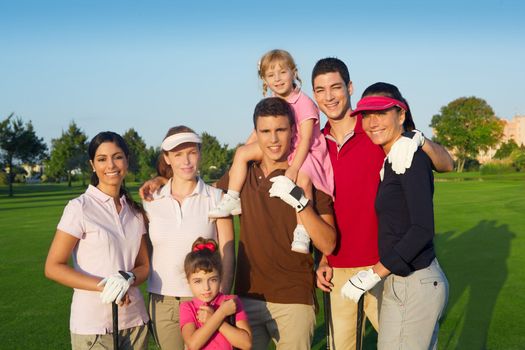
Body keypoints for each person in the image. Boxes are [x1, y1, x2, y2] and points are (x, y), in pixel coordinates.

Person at [312, 58, 454, 350]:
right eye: (321, 90)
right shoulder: (315, 143)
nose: (329, 96)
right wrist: (323, 256)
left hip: (385, 266)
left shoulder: (381, 135)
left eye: (336, 87)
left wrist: (418, 140)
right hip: (340, 266)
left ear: (349, 88)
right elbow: (324, 203)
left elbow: (447, 164)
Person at [215, 97, 336, 349]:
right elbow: (201, 194)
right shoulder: (242, 173)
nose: (273, 139)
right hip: (246, 298)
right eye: (265, 131)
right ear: (255, 133)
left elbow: (328, 243)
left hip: (294, 299)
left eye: (280, 130)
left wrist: (300, 203)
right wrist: (162, 181)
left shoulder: (308, 176)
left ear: (293, 130)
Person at [209, 49, 334, 255]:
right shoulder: (275, 104)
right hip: (288, 145)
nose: (278, 79)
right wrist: (244, 151)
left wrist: (293, 168)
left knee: (303, 180)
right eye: (271, 75)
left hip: (307, 151)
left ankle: (302, 231)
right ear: (264, 81)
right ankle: (232, 198)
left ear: (293, 72)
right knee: (242, 152)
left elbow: (305, 140)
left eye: (282, 72)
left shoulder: (304, 103)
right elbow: (257, 134)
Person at [44, 131, 150, 350]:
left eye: (117, 156)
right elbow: (53, 267)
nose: (111, 165)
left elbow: (144, 267)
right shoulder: (79, 208)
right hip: (93, 327)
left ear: (127, 161)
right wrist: (106, 287)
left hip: (135, 321)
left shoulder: (135, 212)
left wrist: (128, 278)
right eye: (102, 159)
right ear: (93, 165)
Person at [143, 126, 235, 349]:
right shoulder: (151, 199)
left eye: (191, 152)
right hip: (162, 301)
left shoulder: (216, 198)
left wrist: (219, 299)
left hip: (204, 301)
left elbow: (228, 252)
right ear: (167, 158)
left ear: (200, 154)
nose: (186, 161)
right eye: (177, 154)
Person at [180, 237, 252, 350]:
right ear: (188, 281)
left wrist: (213, 317)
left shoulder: (231, 302)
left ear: (221, 277)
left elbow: (246, 344)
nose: (206, 287)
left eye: (213, 279)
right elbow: (193, 345)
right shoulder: (187, 308)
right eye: (198, 281)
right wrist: (220, 314)